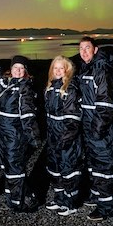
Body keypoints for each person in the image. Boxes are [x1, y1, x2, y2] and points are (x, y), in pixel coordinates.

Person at [0, 55, 41, 212]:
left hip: (14, 134)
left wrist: (34, 138)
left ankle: (17, 202)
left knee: (14, 167)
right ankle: (21, 194)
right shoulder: (5, 83)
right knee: (6, 165)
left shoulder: (25, 89)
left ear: (26, 71)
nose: (18, 71)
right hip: (0, 132)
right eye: (15, 67)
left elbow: (28, 115)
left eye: (21, 68)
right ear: (10, 69)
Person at [77, 36, 113, 220]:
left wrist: (96, 131)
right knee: (94, 165)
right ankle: (98, 195)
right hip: (90, 129)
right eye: (81, 48)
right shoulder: (87, 68)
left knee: (104, 167)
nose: (84, 51)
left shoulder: (101, 70)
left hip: (102, 132)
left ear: (95, 49)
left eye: (87, 48)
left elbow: (106, 105)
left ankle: (108, 206)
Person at [44, 55, 84, 216]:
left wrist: (65, 139)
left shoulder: (70, 89)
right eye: (56, 68)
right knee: (55, 169)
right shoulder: (50, 88)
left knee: (69, 170)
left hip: (67, 139)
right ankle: (60, 199)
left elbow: (73, 119)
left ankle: (71, 203)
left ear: (67, 70)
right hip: (53, 137)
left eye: (62, 68)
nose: (58, 71)